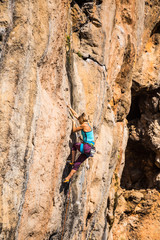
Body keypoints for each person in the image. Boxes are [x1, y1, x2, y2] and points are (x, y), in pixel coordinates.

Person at [63, 106, 95, 183]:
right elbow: (76, 115)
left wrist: (73, 123)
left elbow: (74, 130)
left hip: (87, 147)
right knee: (77, 164)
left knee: (74, 145)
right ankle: (67, 178)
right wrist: (70, 108)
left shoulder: (84, 125)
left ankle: (72, 161)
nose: (78, 120)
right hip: (90, 149)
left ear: (82, 119)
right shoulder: (88, 124)